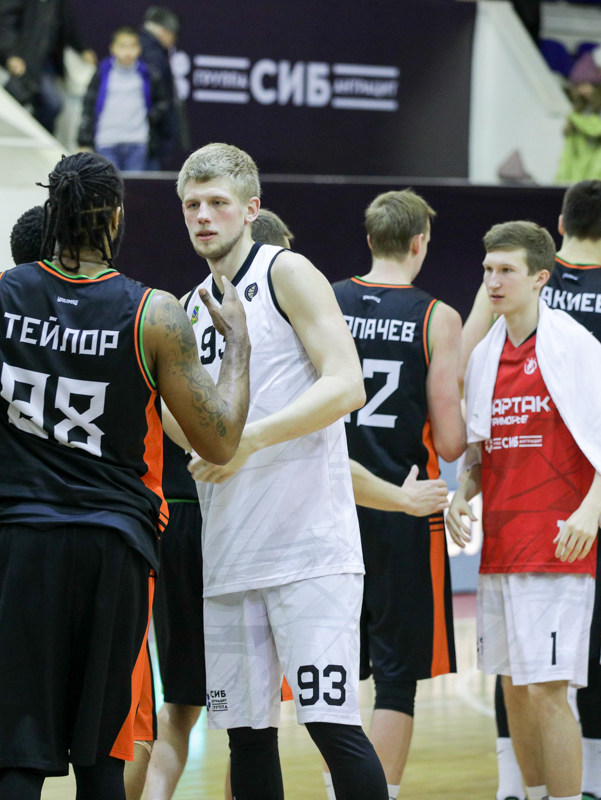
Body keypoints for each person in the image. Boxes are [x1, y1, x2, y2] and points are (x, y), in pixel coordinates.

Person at [0, 151, 252, 800]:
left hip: (18, 545)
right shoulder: (155, 314)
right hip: (114, 551)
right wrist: (239, 354)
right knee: (103, 760)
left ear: (52, 212)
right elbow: (219, 442)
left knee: (15, 759)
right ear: (115, 218)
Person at [174, 143, 386, 800]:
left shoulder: (286, 271)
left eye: (217, 203)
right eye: (192, 205)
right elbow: (184, 423)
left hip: (308, 550)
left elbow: (347, 384)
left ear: (250, 209)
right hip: (229, 551)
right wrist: (198, 435)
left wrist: (247, 440)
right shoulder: (186, 306)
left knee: (332, 727)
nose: (203, 216)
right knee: (246, 737)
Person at [449, 221, 601, 800]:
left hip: (558, 545)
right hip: (501, 544)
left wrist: (590, 512)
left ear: (540, 278)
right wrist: (460, 493)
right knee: (515, 689)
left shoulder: (575, 346)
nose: (493, 282)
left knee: (548, 691)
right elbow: (481, 453)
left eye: (507, 271)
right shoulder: (486, 354)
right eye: (488, 270)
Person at [143, 207, 294, 800]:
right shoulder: (273, 321)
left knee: (178, 707)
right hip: (233, 517)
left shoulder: (179, 310)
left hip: (176, 518)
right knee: (252, 713)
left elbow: (162, 411)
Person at [332, 190, 467, 800]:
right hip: (404, 506)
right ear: (419, 243)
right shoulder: (437, 316)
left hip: (332, 503)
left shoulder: (329, 299)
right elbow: (452, 440)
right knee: (395, 678)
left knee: (329, 668)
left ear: (369, 240)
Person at [0, 0, 97, 134]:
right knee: (14, 103)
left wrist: (82, 49)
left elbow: (66, 23)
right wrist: (11, 54)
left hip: (45, 62)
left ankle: (35, 138)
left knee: (51, 104)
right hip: (19, 61)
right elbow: (4, 24)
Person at [78, 27, 171, 173]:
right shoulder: (102, 72)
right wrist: (84, 140)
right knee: (109, 184)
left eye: (132, 46)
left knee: (134, 186)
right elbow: (89, 105)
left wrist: (150, 119)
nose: (127, 52)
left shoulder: (148, 73)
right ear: (112, 48)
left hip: (137, 142)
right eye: (122, 46)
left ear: (139, 49)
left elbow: (162, 101)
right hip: (106, 141)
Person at [138, 7, 187, 170]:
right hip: (149, 136)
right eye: (174, 35)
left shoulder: (144, 49)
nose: (174, 40)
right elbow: (160, 99)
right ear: (165, 31)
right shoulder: (155, 57)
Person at [557, 83, 601, 187]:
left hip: (599, 162)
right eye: (579, 86)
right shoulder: (577, 111)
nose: (582, 90)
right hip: (580, 160)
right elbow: (566, 132)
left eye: (585, 85)